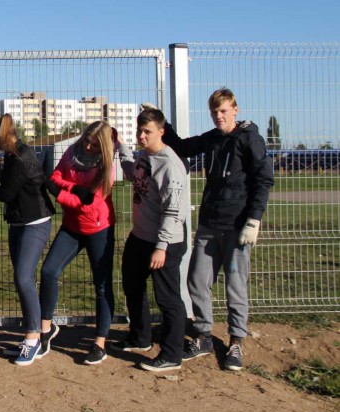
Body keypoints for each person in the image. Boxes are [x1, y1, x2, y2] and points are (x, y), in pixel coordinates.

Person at [161, 88, 274, 371]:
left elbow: (263, 179)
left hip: (237, 227)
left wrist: (254, 220)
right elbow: (183, 147)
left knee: (235, 286)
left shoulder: (249, 139)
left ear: (235, 109)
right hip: (209, 225)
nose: (218, 116)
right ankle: (203, 335)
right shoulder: (211, 139)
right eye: (214, 112)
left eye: (223, 111)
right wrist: (164, 124)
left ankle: (236, 340)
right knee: (197, 281)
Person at [114, 108, 190, 371]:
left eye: (147, 132)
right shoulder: (145, 157)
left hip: (164, 242)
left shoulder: (169, 165)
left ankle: (172, 354)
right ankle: (140, 337)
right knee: (132, 286)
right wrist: (122, 147)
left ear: (161, 131)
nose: (142, 136)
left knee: (167, 298)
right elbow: (131, 172)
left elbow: (174, 211)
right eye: (139, 131)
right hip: (140, 237)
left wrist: (162, 247)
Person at [39, 121, 116, 365]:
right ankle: (46, 329)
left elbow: (89, 204)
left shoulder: (107, 166)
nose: (89, 146)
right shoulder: (72, 153)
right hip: (71, 227)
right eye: (86, 140)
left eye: (95, 144)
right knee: (49, 271)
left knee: (102, 284)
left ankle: (100, 343)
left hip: (98, 228)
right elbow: (55, 176)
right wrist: (75, 188)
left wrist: (61, 194)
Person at [0, 114, 56, 366]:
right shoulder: (12, 154)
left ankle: (33, 338)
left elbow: (5, 193)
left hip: (34, 223)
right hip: (18, 223)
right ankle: (34, 331)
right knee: (22, 279)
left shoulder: (19, 156)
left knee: (23, 277)